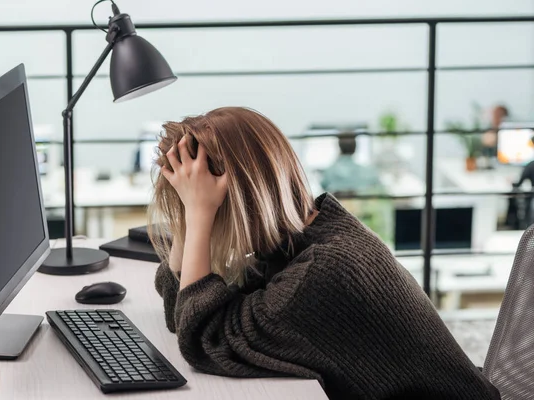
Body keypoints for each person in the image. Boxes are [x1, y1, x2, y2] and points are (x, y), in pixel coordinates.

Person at [149, 107, 500, 400]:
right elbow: (184, 314)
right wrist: (189, 212)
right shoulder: (306, 236)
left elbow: (204, 340)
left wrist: (199, 216)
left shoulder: (320, 272)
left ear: (235, 198)